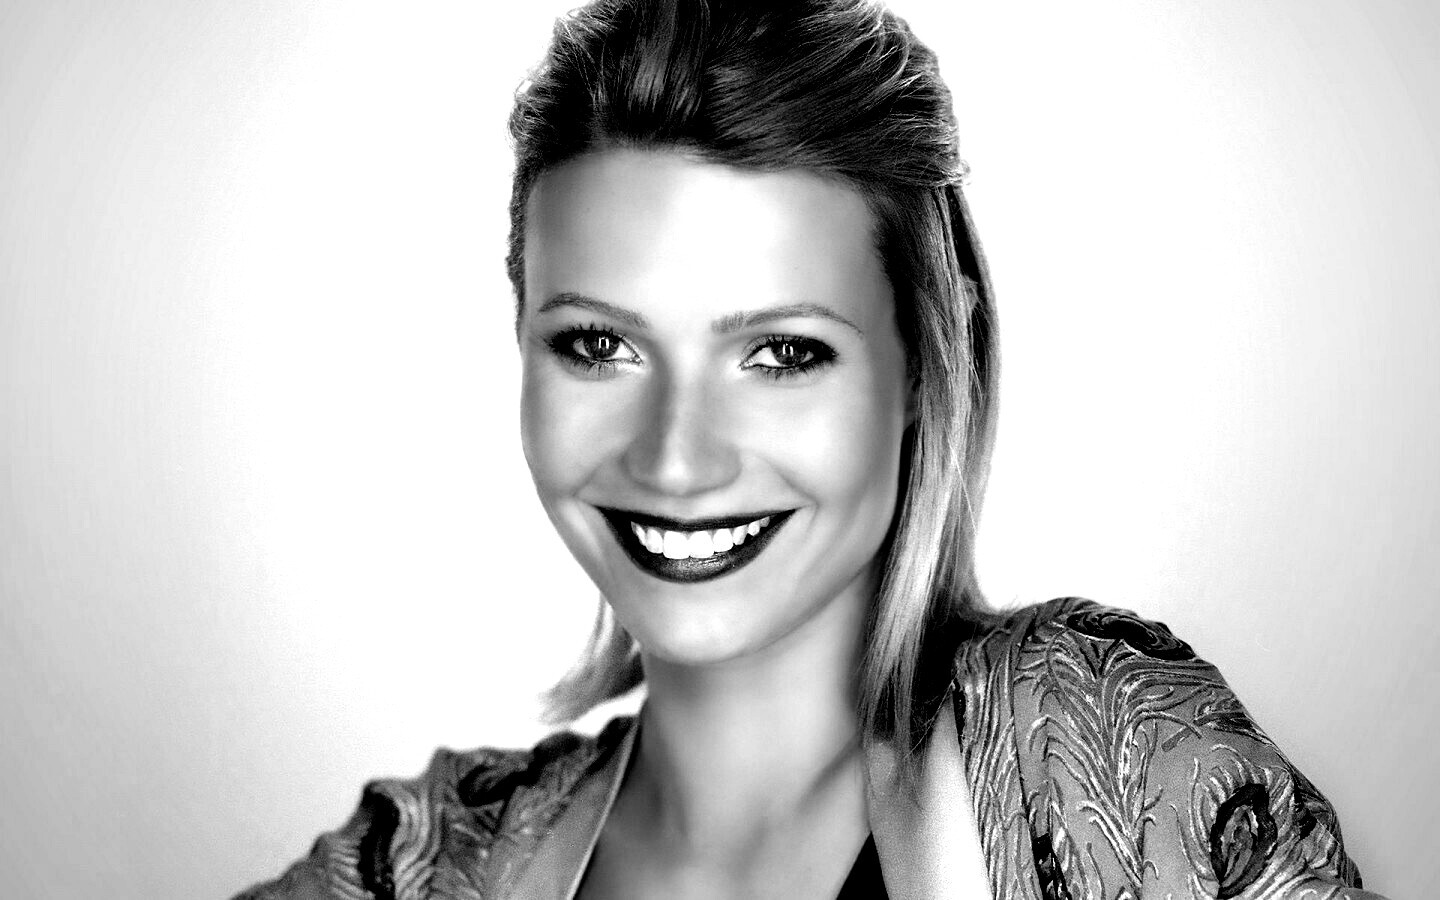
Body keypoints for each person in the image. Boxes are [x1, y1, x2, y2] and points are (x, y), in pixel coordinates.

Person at [236, 1, 1383, 897]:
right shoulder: (421, 866)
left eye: (781, 354)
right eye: (598, 345)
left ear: (926, 363)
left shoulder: (1099, 760)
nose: (676, 461)